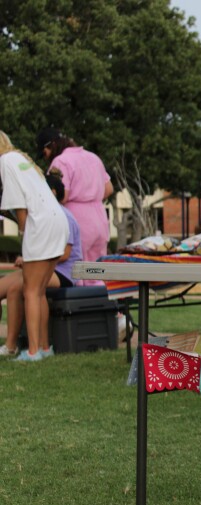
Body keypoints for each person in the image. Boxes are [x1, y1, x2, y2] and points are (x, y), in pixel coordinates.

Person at [0, 130, 70, 361]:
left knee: (30, 291)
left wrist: (23, 232)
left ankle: (32, 352)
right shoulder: (21, 159)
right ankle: (44, 347)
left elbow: (18, 203)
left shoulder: (5, 162)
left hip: (40, 225)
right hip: (57, 221)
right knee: (38, 292)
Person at [0, 173, 82, 358]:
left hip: (64, 273)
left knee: (16, 289)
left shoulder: (63, 216)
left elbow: (64, 254)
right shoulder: (44, 215)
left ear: (51, 192)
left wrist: (31, 259)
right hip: (45, 267)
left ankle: (13, 345)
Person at [36, 128, 113, 268]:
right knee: (97, 268)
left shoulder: (60, 161)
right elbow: (109, 189)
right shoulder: (93, 157)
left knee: (77, 269)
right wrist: (90, 195)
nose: (46, 157)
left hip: (78, 220)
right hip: (100, 219)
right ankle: (97, 283)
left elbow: (62, 196)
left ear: (52, 145)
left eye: (44, 152)